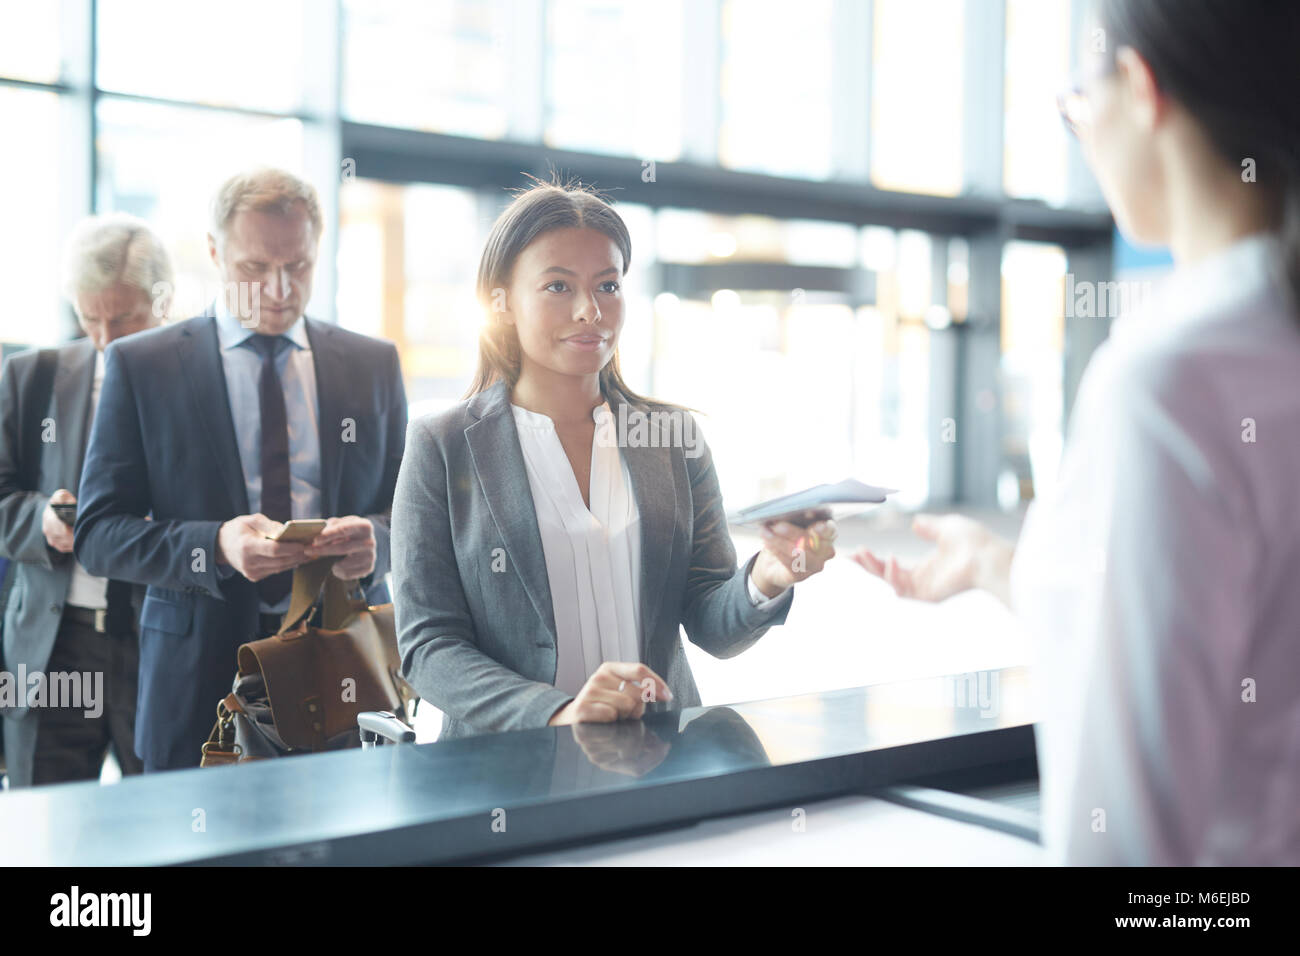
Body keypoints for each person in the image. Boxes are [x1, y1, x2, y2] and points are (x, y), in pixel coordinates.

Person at [853, 0, 1300, 865]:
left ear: (1140, 88)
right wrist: (999, 566)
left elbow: (1130, 844)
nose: (1083, 139)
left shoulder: (1173, 378)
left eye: (1075, 105)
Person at [391, 181, 834, 739]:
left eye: (608, 285)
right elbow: (429, 647)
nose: (590, 311)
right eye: (557, 286)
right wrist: (557, 711)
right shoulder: (442, 445)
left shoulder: (671, 437)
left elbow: (711, 624)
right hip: (507, 772)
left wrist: (766, 577)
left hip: (660, 762)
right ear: (501, 302)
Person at [74, 168, 408, 771]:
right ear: (213, 253)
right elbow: (97, 535)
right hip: (198, 678)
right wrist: (216, 545)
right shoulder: (143, 366)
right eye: (255, 268)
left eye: (299, 266)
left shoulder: (372, 363)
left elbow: (410, 511)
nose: (279, 289)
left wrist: (377, 543)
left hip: (344, 671)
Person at [0, 214, 169, 786]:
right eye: (88, 316)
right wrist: (40, 519)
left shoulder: (198, 386)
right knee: (41, 832)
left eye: (122, 318)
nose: (103, 337)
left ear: (162, 303)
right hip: (54, 644)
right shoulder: (30, 377)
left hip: (157, 640)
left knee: (167, 825)